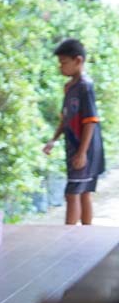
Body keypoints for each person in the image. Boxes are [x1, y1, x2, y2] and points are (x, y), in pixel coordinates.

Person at [43, 39, 104, 226]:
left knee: (73, 193)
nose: (61, 67)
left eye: (64, 63)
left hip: (85, 148)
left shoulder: (85, 86)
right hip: (74, 147)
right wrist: (53, 139)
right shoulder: (69, 87)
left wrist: (82, 152)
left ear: (78, 61)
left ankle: (69, 236)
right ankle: (85, 233)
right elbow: (66, 118)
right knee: (83, 191)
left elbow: (90, 121)